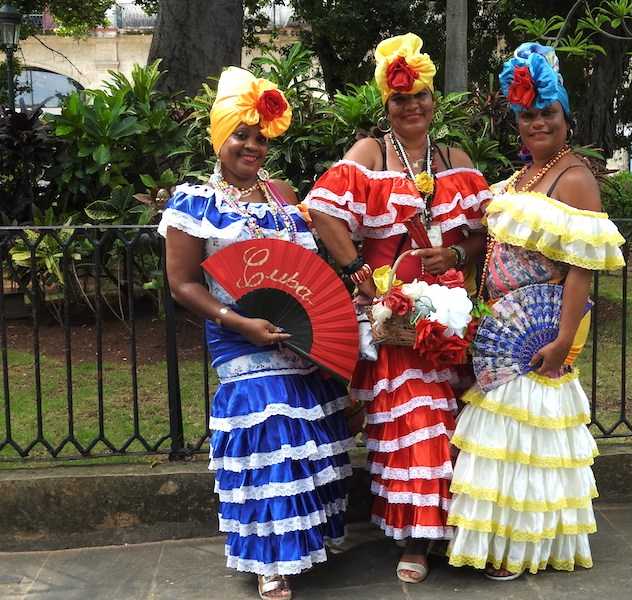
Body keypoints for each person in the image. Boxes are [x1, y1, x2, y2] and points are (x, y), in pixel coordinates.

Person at [159, 67, 353, 600]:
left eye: (261, 138)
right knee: (270, 436)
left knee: (307, 441)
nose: (252, 146)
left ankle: (308, 539)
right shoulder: (195, 202)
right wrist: (239, 321)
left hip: (298, 339)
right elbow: (182, 284)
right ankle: (271, 559)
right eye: (241, 135)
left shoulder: (284, 195)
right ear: (220, 137)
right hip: (239, 337)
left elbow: (304, 271)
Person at [304, 33, 491, 583]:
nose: (413, 107)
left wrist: (455, 254)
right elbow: (322, 211)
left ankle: (456, 533)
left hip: (450, 318)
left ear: (434, 99)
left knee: (454, 424)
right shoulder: (371, 154)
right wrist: (362, 274)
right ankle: (416, 539)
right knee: (414, 423)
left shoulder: (454, 159)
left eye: (421, 96)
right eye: (400, 99)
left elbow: (486, 231)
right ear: (386, 104)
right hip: (394, 321)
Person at [446, 43, 626, 580]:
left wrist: (563, 339)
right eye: (527, 115)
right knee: (501, 444)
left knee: (526, 445)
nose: (537, 123)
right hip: (503, 331)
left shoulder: (574, 177)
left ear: (566, 117)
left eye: (547, 113)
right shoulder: (525, 175)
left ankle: (520, 548)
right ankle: (497, 542)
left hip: (538, 339)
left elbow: (581, 268)